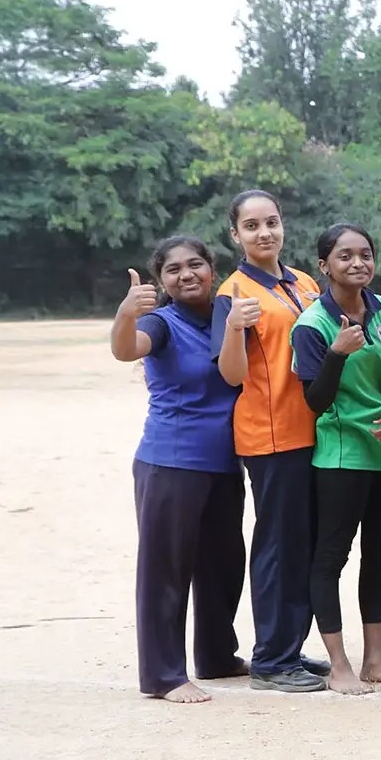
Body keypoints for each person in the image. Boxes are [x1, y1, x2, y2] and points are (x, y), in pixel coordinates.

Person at [112, 236, 247, 703]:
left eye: (196, 265)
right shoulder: (161, 322)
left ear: (212, 269)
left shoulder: (226, 317)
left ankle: (216, 656)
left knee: (224, 566)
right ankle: (164, 674)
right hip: (171, 463)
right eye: (173, 270)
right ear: (161, 281)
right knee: (166, 570)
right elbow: (128, 349)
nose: (186, 275)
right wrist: (126, 313)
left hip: (224, 464)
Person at [291, 223, 381, 695]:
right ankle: (339, 664)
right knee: (330, 558)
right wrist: (335, 354)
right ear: (324, 265)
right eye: (345, 256)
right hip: (342, 456)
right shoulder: (312, 325)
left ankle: (375, 660)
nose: (358, 263)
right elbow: (315, 401)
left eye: (365, 254)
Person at [213, 189, 327, 693]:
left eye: (272, 222)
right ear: (235, 233)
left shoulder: (300, 281)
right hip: (272, 433)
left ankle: (289, 646)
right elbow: (230, 374)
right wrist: (234, 329)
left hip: (313, 428)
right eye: (252, 225)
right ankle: (270, 660)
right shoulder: (233, 293)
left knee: (303, 543)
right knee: (278, 545)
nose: (265, 233)